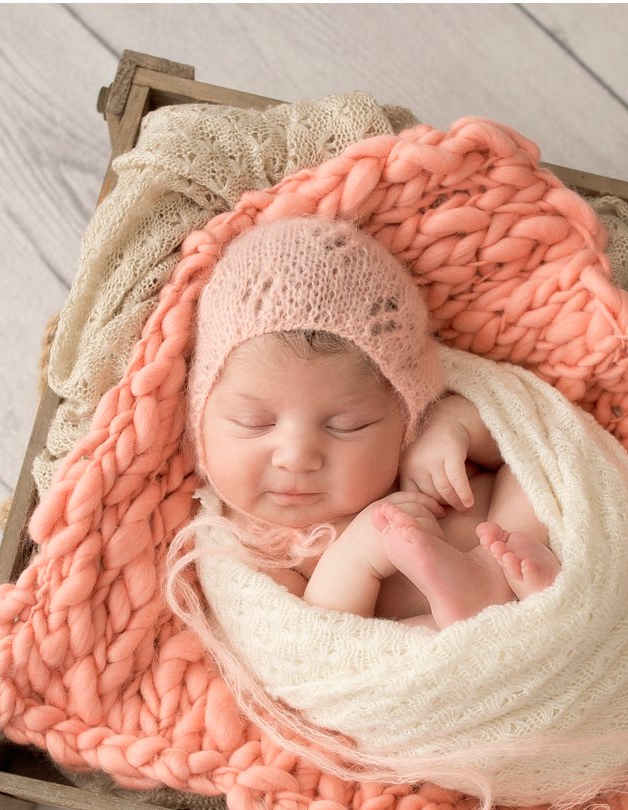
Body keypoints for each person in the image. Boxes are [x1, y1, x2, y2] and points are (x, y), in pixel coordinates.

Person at [187, 216, 560, 629]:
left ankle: (504, 577)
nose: (297, 458)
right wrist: (358, 556)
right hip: (437, 639)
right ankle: (504, 607)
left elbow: (526, 429)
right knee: (415, 639)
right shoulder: (246, 544)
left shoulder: (416, 444)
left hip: (520, 559)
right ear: (201, 417)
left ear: (404, 416)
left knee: (539, 464)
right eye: (254, 423)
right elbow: (312, 644)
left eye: (346, 425)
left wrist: (455, 428)